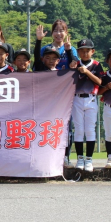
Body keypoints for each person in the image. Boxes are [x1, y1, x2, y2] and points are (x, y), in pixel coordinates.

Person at [35, 24, 75, 168]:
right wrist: (38, 40)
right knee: (44, 129)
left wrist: (69, 51)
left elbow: (73, 66)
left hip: (63, 99)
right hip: (44, 101)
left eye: (61, 30)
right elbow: (37, 62)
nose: (59, 33)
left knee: (65, 129)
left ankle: (65, 157)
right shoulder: (44, 50)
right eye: (56, 31)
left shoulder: (70, 49)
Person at [71, 39, 104, 172]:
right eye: (82, 51)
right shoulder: (75, 64)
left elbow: (100, 82)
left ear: (92, 51)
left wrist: (86, 72)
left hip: (91, 98)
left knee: (90, 130)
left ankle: (89, 159)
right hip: (77, 99)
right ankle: (80, 158)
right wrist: (73, 69)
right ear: (78, 52)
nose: (85, 53)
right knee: (78, 130)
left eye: (87, 51)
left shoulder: (96, 65)